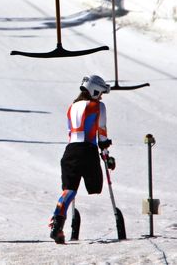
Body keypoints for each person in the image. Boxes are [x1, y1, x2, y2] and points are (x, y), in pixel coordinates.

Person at [49, 75, 114, 244]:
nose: (101, 97)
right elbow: (102, 132)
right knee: (96, 187)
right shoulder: (98, 106)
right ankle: (61, 222)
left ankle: (57, 222)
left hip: (70, 151)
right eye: (100, 93)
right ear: (94, 91)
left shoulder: (71, 107)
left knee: (69, 189)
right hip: (88, 150)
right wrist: (106, 152)